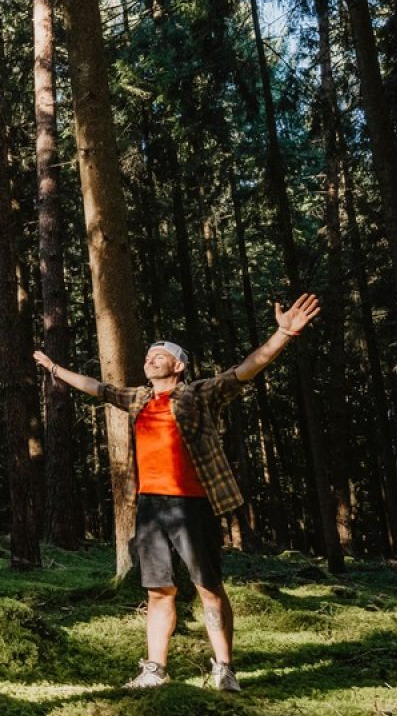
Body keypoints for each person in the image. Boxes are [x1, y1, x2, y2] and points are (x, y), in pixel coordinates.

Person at [33, 294, 321, 692]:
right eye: (148, 354)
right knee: (158, 591)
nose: (150, 358)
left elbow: (247, 369)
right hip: (151, 507)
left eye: (160, 354)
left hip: (192, 504)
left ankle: (224, 668)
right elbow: (98, 388)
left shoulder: (199, 394)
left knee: (208, 588)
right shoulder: (139, 398)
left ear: (178, 365)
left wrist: (283, 334)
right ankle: (155, 669)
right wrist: (54, 369)